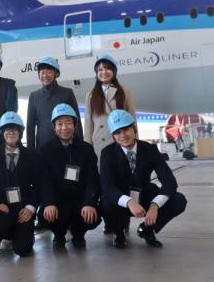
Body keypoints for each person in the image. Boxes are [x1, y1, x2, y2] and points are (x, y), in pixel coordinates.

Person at [100, 110, 187, 249]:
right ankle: (118, 232)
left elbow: (170, 181)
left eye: (126, 129)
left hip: (144, 195)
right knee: (105, 203)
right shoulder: (107, 153)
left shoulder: (150, 149)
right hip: (121, 199)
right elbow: (107, 186)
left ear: (134, 129)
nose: (123, 135)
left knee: (178, 200)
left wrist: (155, 205)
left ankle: (146, 229)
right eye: (117, 132)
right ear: (113, 136)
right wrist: (129, 202)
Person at [38, 104, 101, 248]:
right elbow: (44, 180)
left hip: (80, 200)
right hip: (58, 201)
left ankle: (79, 233)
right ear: (54, 127)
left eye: (68, 123)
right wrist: (49, 202)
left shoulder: (86, 149)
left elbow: (92, 179)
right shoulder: (45, 150)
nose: (64, 128)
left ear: (75, 125)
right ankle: (59, 234)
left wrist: (89, 203)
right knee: (44, 216)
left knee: (94, 215)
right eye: (59, 124)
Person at [0, 112, 39, 256]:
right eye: (7, 129)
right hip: (4, 207)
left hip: (24, 209)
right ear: (2, 132)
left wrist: (31, 208)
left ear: (20, 132)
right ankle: (8, 235)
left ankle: (23, 235)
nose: (11, 133)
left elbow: (39, 185)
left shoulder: (32, 156)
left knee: (22, 250)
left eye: (15, 129)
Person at [84, 54, 136, 159]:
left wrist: (135, 141)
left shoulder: (124, 91)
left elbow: (132, 117)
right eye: (100, 69)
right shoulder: (90, 95)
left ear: (114, 71)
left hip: (121, 139)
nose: (104, 72)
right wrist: (87, 148)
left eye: (107, 68)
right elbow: (88, 124)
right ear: (96, 73)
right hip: (99, 141)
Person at [27, 57, 82, 152]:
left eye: (49, 72)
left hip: (66, 146)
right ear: (39, 75)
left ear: (55, 74)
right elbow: (30, 127)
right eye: (42, 72)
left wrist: (80, 145)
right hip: (43, 147)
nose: (45, 75)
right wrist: (30, 152)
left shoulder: (67, 93)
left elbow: (77, 122)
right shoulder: (34, 96)